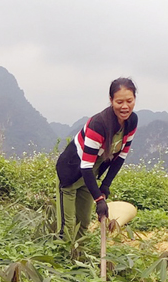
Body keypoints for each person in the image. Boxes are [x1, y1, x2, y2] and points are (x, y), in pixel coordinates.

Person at [55, 78, 138, 241]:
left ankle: (78, 257)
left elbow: (120, 156)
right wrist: (99, 200)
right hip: (71, 173)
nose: (125, 106)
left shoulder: (131, 121)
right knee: (68, 226)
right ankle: (61, 260)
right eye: (119, 101)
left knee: (84, 223)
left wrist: (105, 186)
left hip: (90, 176)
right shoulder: (98, 125)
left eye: (129, 101)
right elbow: (85, 165)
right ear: (111, 100)